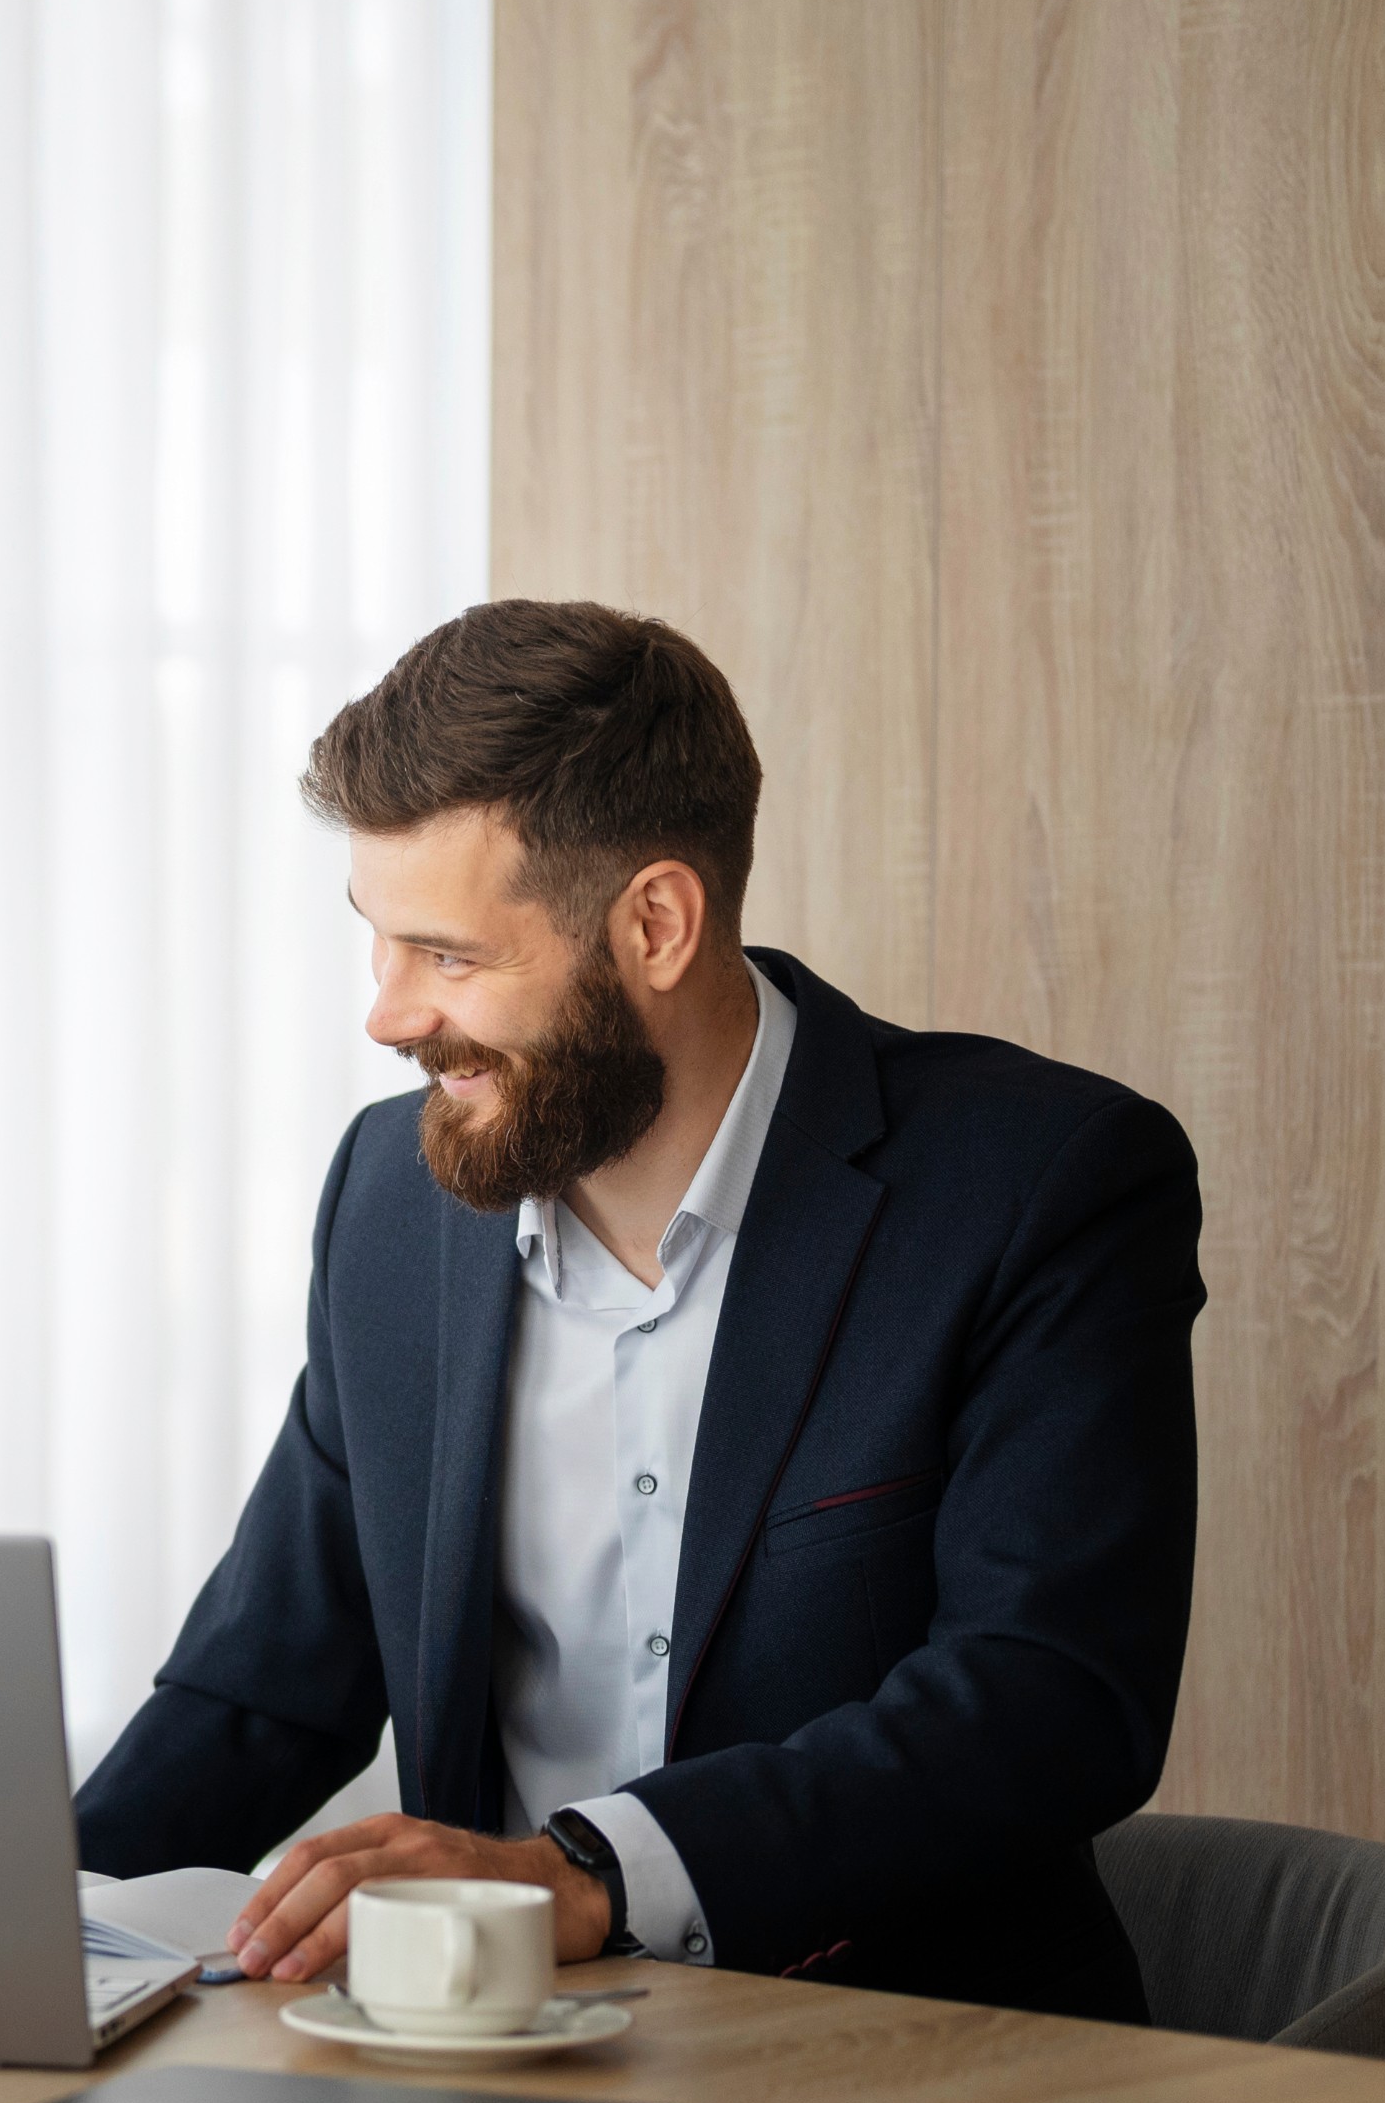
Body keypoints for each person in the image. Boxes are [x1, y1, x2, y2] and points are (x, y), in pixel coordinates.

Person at [76, 602, 1199, 2024]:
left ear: (656, 924)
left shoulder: (1035, 1185)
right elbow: (266, 1687)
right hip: (482, 2067)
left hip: (922, 2058)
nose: (390, 1016)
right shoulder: (391, 1198)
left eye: (450, 956)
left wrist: (587, 1875)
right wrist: (10, 1924)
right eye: (380, 945)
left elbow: (1050, 1702)